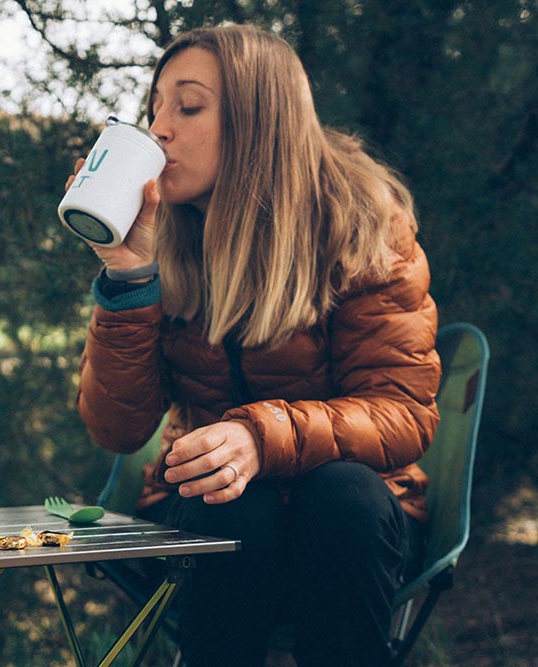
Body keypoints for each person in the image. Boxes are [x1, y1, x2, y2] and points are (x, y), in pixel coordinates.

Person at [69, 24, 441, 667]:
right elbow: (118, 429)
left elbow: (403, 411)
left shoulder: (362, 227)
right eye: (156, 107)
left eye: (187, 107)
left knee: (342, 497)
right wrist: (129, 279)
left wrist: (258, 436)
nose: (159, 129)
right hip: (218, 508)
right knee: (234, 504)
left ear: (259, 121)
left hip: (359, 512)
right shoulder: (164, 236)